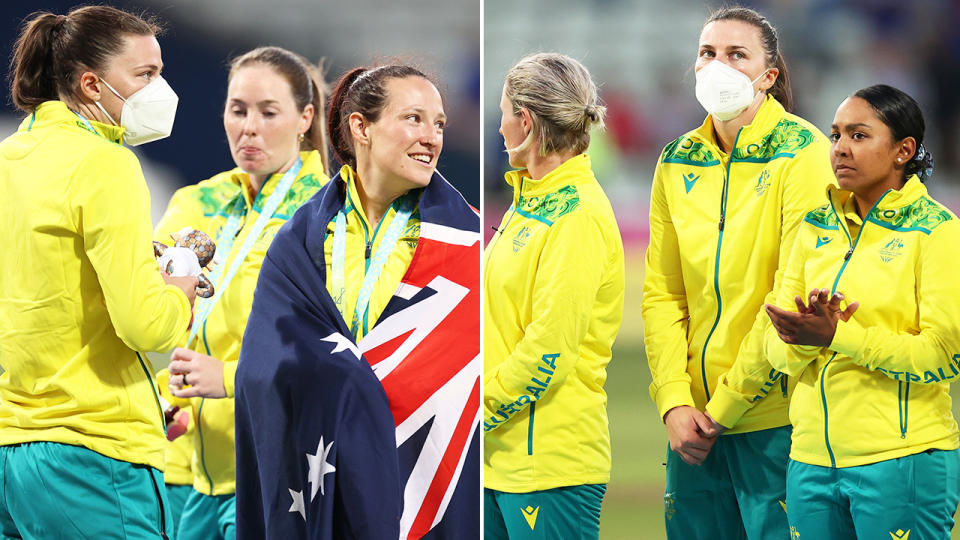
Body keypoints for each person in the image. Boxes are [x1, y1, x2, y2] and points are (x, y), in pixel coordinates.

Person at [235, 63, 481, 539]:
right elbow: (260, 367)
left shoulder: (467, 241)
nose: (431, 136)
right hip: (322, 471)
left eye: (439, 123)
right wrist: (344, 384)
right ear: (360, 127)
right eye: (413, 118)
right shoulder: (300, 240)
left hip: (432, 479)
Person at [0, 6, 196, 539]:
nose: (162, 90)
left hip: (10, 455)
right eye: (146, 76)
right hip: (93, 455)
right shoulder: (105, 162)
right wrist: (180, 288)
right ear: (91, 84)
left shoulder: (9, 158)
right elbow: (147, 327)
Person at [642, 6, 837, 538]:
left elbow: (789, 296)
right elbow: (663, 294)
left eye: (736, 54)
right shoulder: (676, 160)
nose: (717, 65)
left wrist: (724, 406)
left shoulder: (804, 154)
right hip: (691, 426)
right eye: (707, 53)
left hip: (776, 418)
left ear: (767, 75)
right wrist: (674, 402)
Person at [762, 84, 960, 539]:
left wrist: (837, 337)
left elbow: (944, 356)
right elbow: (776, 344)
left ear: (903, 150)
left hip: (903, 460)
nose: (840, 149)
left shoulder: (936, 232)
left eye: (858, 135)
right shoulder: (813, 228)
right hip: (809, 460)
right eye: (835, 135)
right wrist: (799, 339)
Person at [155, 45, 331, 540]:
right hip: (186, 469)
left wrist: (231, 377)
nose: (248, 127)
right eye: (238, 110)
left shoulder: (327, 214)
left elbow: (338, 351)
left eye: (268, 112)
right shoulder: (196, 201)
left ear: (305, 118)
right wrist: (163, 397)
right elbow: (156, 314)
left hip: (276, 473)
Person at [483, 52, 625, 539]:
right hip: (500, 463)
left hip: (549, 467)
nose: (498, 127)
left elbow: (549, 349)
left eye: (502, 113)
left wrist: (475, 410)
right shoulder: (529, 202)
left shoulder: (578, 215)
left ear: (524, 121)